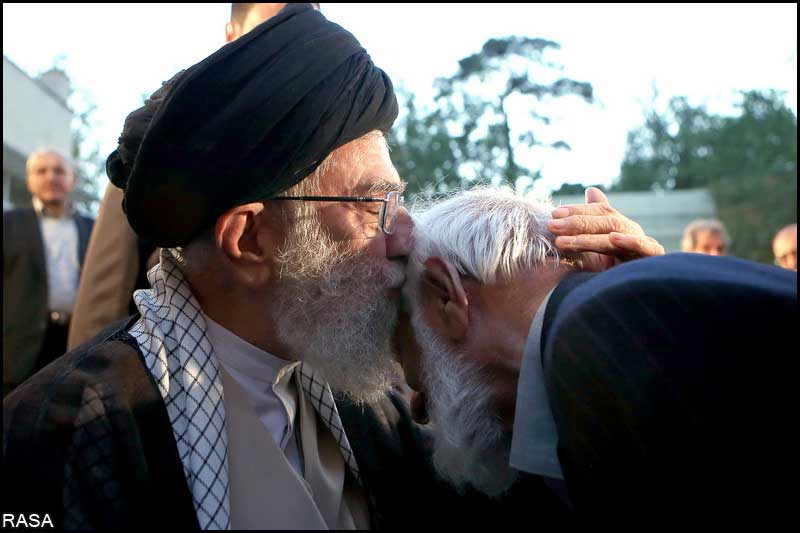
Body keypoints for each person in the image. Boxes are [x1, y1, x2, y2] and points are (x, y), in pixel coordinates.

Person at [4, 5, 661, 529]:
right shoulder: (64, 435)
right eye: (374, 203)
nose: (405, 233)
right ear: (251, 238)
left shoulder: (369, 405)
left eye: (399, 200)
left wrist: (633, 338)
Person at [395, 187, 797, 521]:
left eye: (401, 346)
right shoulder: (587, 352)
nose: (419, 405)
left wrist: (651, 317)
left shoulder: (607, 324)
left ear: (445, 295)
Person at [67, 3, 316, 351]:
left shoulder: (340, 144)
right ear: (232, 37)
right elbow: (102, 300)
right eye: (273, 30)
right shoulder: (169, 134)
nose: (289, 45)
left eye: (305, 30)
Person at [3, 148, 94, 397]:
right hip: (17, 349)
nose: (51, 177)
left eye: (59, 171)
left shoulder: (93, 229)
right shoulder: (8, 223)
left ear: (72, 180)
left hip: (75, 343)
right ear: (30, 180)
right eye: (41, 171)